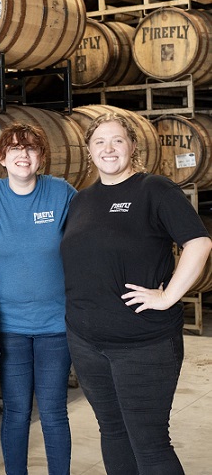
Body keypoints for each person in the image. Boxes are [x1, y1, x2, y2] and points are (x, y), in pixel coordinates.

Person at [60, 112, 212, 475]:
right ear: (89, 151)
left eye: (116, 140)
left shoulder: (154, 189)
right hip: (85, 341)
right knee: (112, 431)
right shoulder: (81, 201)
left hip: (143, 344)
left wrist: (167, 296)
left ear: (132, 146)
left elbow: (199, 242)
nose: (108, 149)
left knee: (150, 441)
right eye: (99, 142)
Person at [0, 123, 75, 475]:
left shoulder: (61, 193)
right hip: (10, 326)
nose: (24, 154)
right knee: (17, 411)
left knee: (52, 411)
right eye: (15, 149)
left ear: (42, 157)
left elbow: (90, 237)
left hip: (55, 325)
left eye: (32, 148)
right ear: (1, 157)